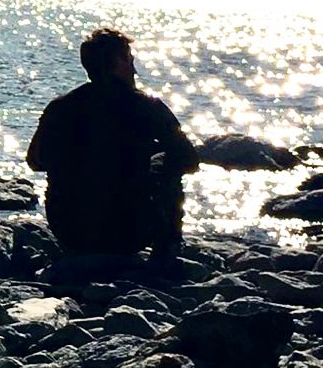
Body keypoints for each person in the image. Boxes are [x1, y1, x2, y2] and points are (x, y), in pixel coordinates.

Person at [26, 27, 198, 260]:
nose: (135, 68)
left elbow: (35, 161)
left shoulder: (61, 107)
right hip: (129, 232)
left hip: (69, 230)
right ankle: (167, 250)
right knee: (169, 163)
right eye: (130, 59)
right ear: (119, 62)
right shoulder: (147, 106)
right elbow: (189, 160)